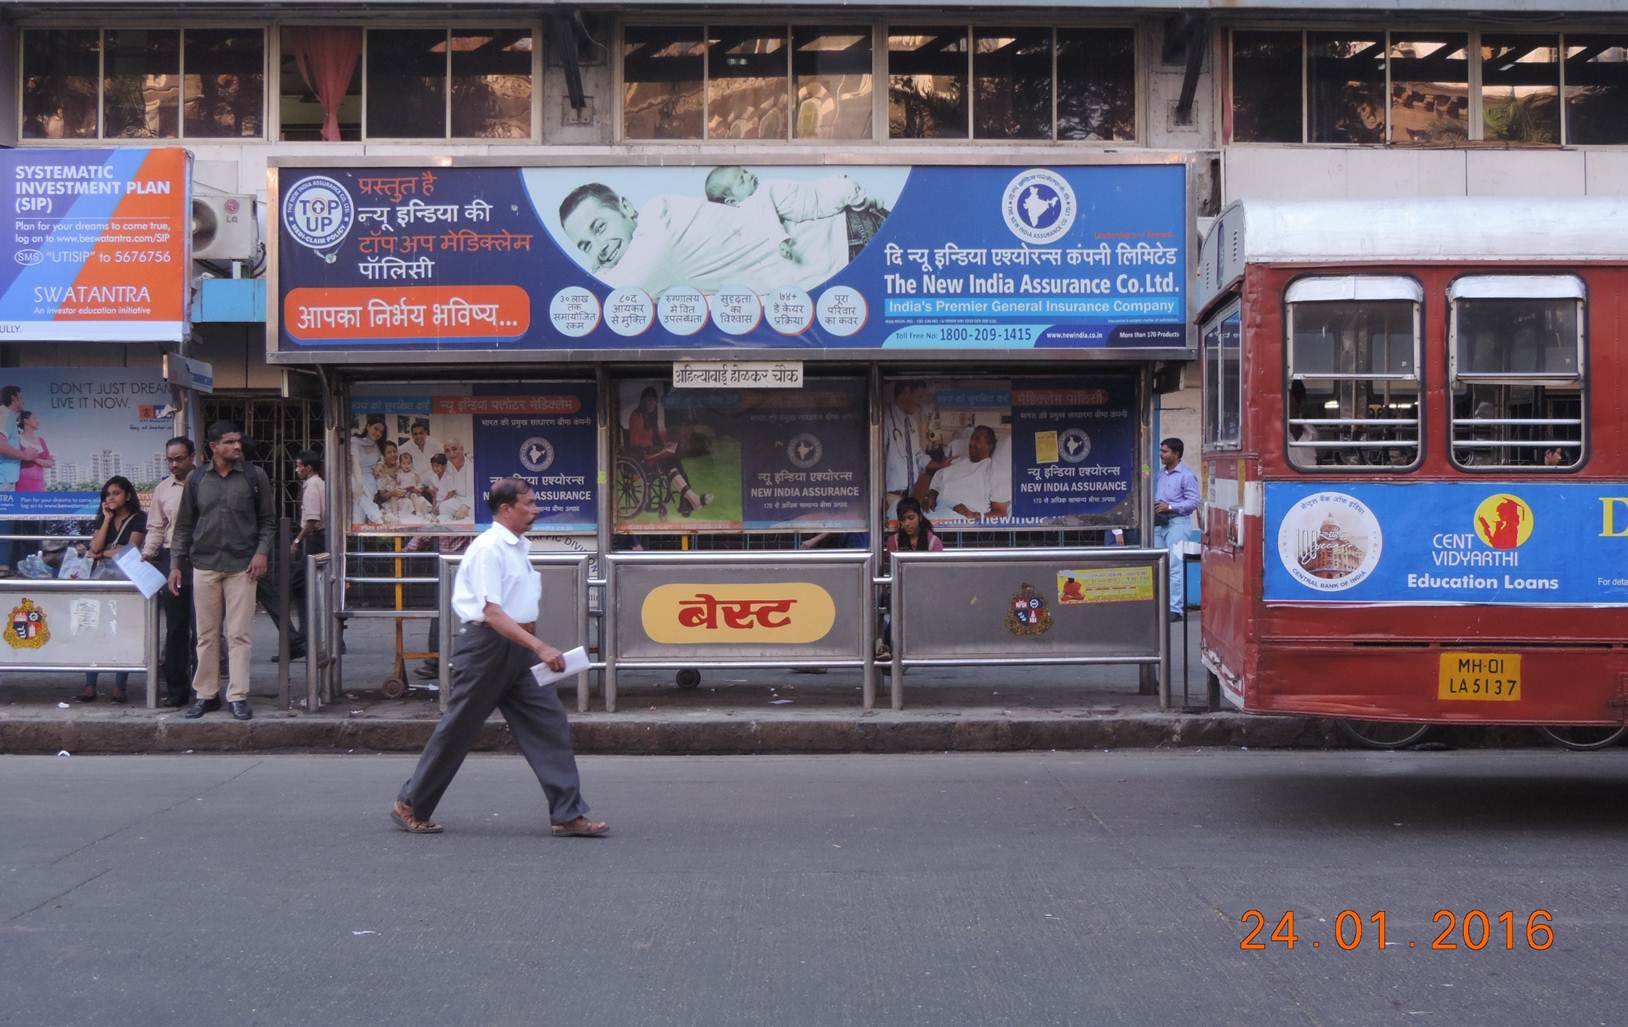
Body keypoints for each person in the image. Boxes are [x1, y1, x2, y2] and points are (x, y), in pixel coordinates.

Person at [391, 478, 608, 838]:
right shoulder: (489, 548)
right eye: (529, 503)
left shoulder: (517, 547)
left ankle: (567, 813)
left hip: (517, 648)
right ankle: (411, 803)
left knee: (549, 722)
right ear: (506, 508)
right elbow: (492, 613)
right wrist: (539, 647)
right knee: (459, 728)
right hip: (487, 648)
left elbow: (518, 607)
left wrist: (533, 646)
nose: (535, 509)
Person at [168, 421, 275, 721]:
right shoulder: (197, 478)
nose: (236, 447)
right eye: (229, 442)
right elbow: (184, 525)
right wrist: (176, 565)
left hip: (243, 565)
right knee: (206, 635)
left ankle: (238, 695)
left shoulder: (255, 476)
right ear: (213, 446)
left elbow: (268, 521)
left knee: (240, 634)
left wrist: (261, 553)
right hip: (204, 564)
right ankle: (206, 694)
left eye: (238, 442)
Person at [79, 476, 147, 704]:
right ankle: (90, 685)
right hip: (101, 580)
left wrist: (104, 552)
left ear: (127, 495)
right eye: (107, 495)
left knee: (123, 631)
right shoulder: (103, 518)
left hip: (127, 581)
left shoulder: (139, 518)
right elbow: (94, 548)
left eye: (116, 493)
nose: (111, 498)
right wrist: (107, 520)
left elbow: (131, 550)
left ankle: (120, 686)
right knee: (95, 630)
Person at [141, 437, 198, 707]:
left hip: (203, 560)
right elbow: (156, 527)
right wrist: (146, 556)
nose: (174, 464)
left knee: (204, 630)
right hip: (171, 560)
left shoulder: (206, 483)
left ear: (192, 457)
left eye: (179, 459)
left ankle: (204, 690)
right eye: (170, 460)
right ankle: (177, 689)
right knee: (175, 629)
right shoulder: (163, 489)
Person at [627, 386, 711, 517]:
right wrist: (654, 447)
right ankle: (692, 500)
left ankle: (688, 501)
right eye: (649, 400)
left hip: (653, 454)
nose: (652, 403)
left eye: (654, 401)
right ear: (642, 401)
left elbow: (658, 436)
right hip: (642, 456)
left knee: (674, 460)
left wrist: (664, 444)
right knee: (672, 463)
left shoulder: (652, 417)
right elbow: (635, 442)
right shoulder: (636, 416)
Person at [912, 425, 1008, 522]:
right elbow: (936, 486)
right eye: (972, 438)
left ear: (989, 445)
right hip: (937, 510)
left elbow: (1001, 513)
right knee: (907, 513)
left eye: (977, 440)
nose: (971, 443)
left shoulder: (994, 472)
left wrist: (974, 515)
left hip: (960, 518)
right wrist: (930, 496)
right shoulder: (955, 462)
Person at [1153, 437, 1200, 623]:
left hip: (1177, 523)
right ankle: (1160, 605)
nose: (1161, 455)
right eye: (1161, 451)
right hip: (1160, 523)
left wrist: (1170, 507)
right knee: (1158, 564)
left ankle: (1175, 609)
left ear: (1176, 454)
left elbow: (1193, 502)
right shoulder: (1161, 473)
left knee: (1174, 566)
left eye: (1165, 452)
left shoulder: (1186, 476)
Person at [0, 384, 40, 576]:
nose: (23, 401)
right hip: (3, 478)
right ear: (14, 398)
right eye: (21, 397)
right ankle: (3, 565)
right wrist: (24, 456)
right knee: (5, 521)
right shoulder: (5, 415)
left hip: (7, 477)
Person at [883, 382, 931, 518]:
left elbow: (917, 456)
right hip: (892, 497)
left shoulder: (911, 421)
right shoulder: (885, 419)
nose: (919, 402)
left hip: (911, 497)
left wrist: (939, 464)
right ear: (906, 392)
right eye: (919, 396)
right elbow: (877, 462)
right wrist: (880, 498)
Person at [14, 411, 52, 492]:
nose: (37, 421)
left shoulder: (41, 441)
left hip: (39, 485)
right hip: (22, 484)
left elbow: (50, 463)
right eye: (34, 418)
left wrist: (34, 459)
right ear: (26, 421)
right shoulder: (17, 439)